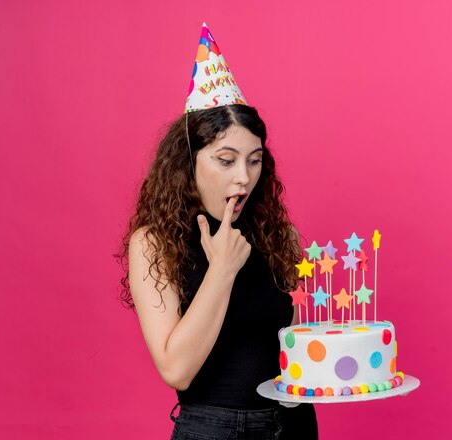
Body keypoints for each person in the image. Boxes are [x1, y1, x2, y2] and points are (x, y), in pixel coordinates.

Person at [117, 24, 318, 439]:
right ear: (189, 162)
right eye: (226, 160)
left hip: (294, 425)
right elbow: (177, 371)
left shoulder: (282, 238)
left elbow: (297, 355)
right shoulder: (153, 243)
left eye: (255, 160)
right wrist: (222, 269)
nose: (243, 178)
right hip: (216, 430)